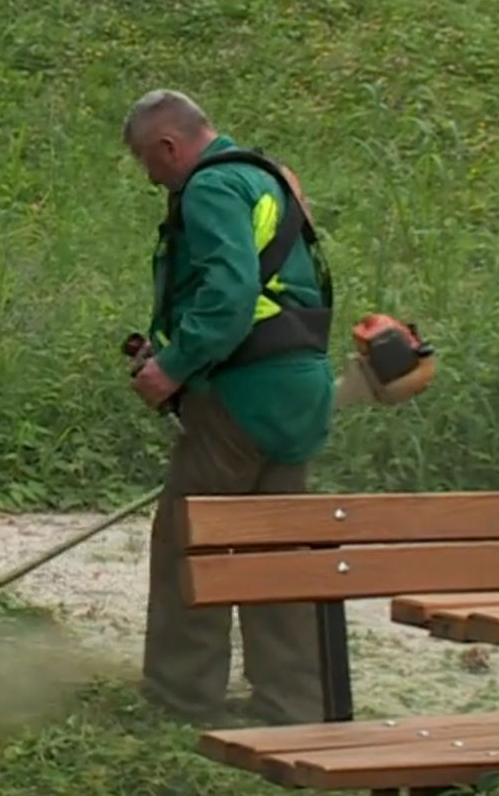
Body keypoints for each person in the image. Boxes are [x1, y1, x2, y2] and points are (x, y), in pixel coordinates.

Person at [119, 89, 336, 726]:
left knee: (192, 541)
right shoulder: (266, 178)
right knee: (276, 553)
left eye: (146, 161)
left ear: (168, 146)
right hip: (298, 390)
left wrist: (172, 366)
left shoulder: (210, 188)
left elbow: (230, 293)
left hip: (242, 396)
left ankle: (181, 695)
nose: (149, 177)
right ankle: (293, 701)